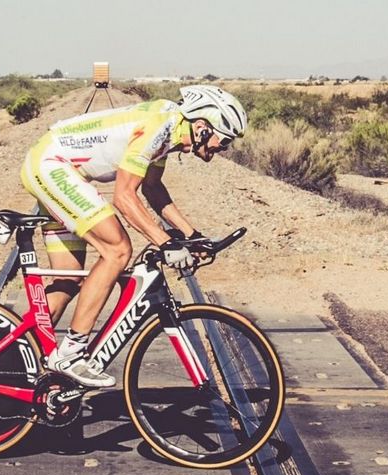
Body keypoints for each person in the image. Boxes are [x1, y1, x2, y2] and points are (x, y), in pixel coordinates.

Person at [17, 85, 247, 387]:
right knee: (117, 250)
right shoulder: (159, 127)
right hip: (52, 166)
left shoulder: (170, 129)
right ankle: (71, 353)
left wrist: (193, 235)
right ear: (203, 126)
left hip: (54, 166)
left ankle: (16, 364)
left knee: (68, 280)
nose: (223, 148)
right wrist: (165, 242)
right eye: (224, 140)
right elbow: (124, 197)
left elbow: (152, 188)